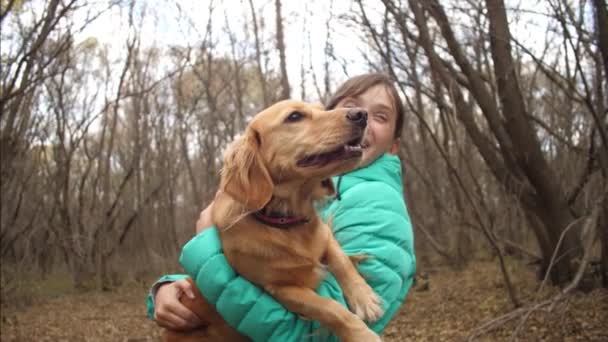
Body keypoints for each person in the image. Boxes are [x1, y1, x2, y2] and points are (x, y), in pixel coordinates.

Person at [146, 73, 416, 340]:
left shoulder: (379, 208)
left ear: (394, 146)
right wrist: (167, 288)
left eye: (380, 116)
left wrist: (206, 250)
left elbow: (309, 334)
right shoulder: (308, 190)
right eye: (297, 117)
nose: (360, 115)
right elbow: (242, 273)